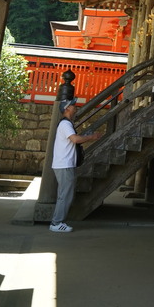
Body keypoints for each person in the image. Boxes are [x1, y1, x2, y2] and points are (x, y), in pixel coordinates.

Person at [50, 96, 101, 233]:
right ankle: (56, 222)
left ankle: (57, 221)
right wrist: (91, 137)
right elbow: (75, 139)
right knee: (65, 195)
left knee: (65, 194)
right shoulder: (65, 124)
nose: (75, 107)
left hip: (63, 164)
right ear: (67, 109)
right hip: (64, 164)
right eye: (73, 105)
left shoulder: (65, 124)